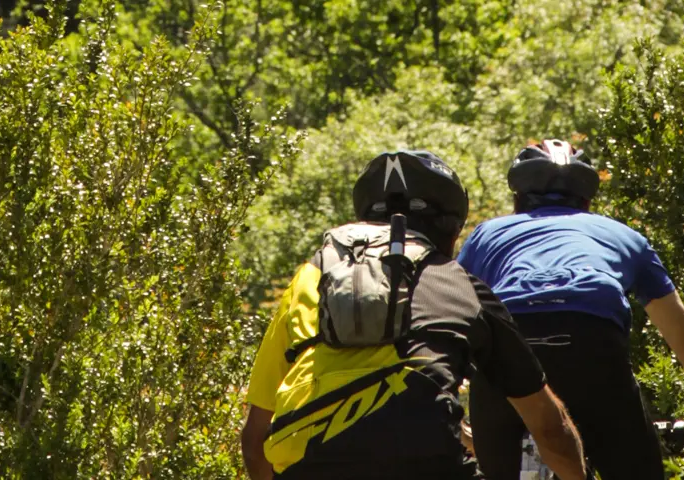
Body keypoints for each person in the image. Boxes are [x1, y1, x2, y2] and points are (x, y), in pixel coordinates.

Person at [240, 150, 587, 480]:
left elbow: (255, 440)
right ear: (449, 229)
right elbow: (548, 428)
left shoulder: (308, 278)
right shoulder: (461, 285)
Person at [457, 140, 684, 479]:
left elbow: (448, 321)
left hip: (507, 347)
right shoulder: (624, 236)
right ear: (586, 200)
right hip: (591, 345)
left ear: (518, 198)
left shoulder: (486, 235)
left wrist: (454, 423)